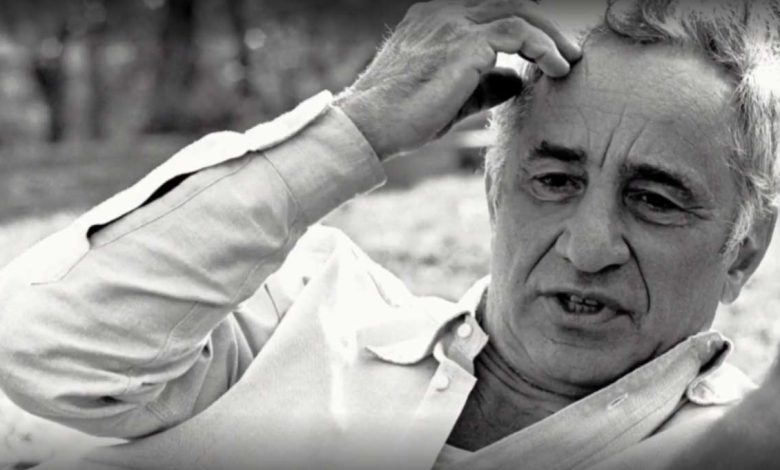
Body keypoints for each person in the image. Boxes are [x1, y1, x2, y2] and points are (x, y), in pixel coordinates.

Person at [0, 0, 778, 468]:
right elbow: (44, 350)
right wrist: (362, 124)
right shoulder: (296, 312)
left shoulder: (739, 446)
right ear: (493, 189)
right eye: (554, 180)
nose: (588, 246)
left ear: (744, 249)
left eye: (655, 200)